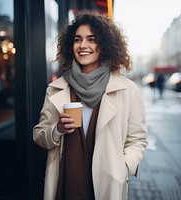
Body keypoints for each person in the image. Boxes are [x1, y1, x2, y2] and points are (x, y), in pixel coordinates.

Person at [33, 10, 148, 200]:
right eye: (77, 39)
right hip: (65, 185)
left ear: (104, 45)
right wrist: (56, 130)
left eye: (91, 39)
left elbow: (137, 140)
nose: (83, 45)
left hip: (107, 186)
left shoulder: (127, 90)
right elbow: (38, 135)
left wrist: (123, 167)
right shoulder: (56, 89)